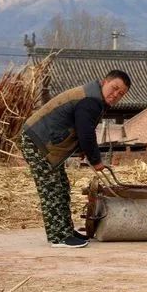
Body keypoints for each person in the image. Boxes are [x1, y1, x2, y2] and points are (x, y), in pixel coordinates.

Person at [20, 70, 131, 248]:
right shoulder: (91, 100)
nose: (116, 94)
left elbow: (78, 126)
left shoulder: (93, 98)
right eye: (114, 88)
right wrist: (96, 160)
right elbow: (86, 134)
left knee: (62, 186)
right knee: (52, 189)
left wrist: (82, 150)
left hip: (44, 142)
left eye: (121, 93)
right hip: (38, 141)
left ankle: (65, 230)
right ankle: (58, 237)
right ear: (104, 82)